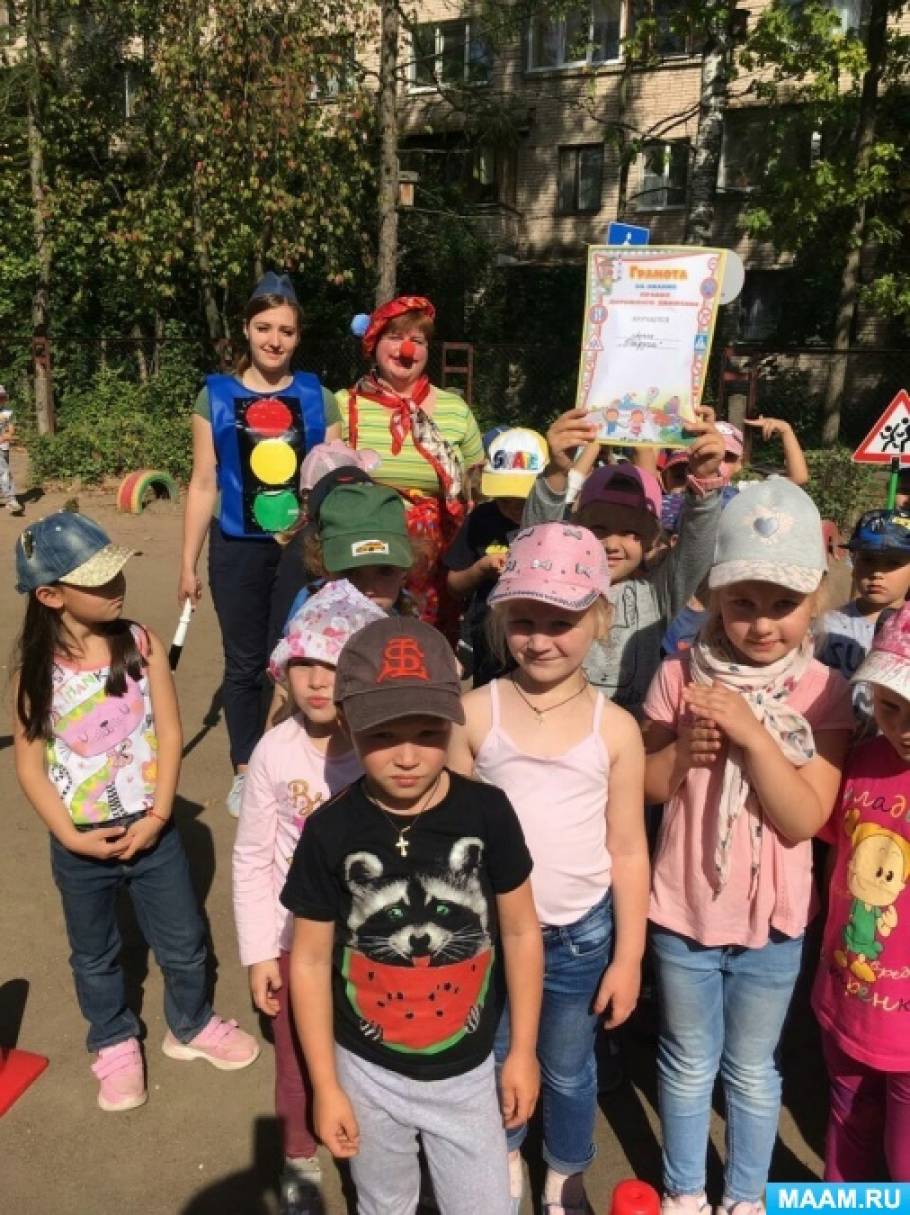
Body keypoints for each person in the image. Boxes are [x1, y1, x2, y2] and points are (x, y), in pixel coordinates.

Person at [641, 479, 854, 1215]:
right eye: (743, 602)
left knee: (753, 1069)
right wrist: (683, 755)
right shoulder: (679, 675)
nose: (761, 623)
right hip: (685, 909)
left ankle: (746, 1196)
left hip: (774, 923)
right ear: (714, 598)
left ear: (815, 600)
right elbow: (647, 785)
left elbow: (803, 817)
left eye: (782, 603)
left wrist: (752, 735)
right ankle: (685, 1191)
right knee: (686, 1061)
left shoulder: (825, 691)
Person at [281, 616, 543, 1215]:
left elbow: (522, 930)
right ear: (346, 722)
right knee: (385, 1204)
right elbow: (311, 960)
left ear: (454, 721)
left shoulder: (488, 813)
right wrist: (325, 1085)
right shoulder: (328, 831)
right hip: (365, 1071)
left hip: (467, 1074)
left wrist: (523, 1051)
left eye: (428, 732)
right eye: (382, 735)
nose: (406, 757)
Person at [12, 512, 259, 1113]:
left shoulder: (141, 643)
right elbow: (30, 766)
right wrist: (69, 836)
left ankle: (190, 1023)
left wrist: (158, 816)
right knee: (94, 952)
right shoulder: (35, 671)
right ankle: (113, 1039)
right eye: (97, 579)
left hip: (154, 830)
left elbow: (169, 733)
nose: (116, 585)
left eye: (115, 571)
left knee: (184, 941)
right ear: (51, 596)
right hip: (79, 842)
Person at [450, 523, 650, 1215]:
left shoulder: (615, 728)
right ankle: (505, 1153)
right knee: (495, 1054)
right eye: (524, 621)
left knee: (569, 1068)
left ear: (599, 621)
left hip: (578, 938)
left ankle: (564, 1173)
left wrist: (629, 957)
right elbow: (452, 842)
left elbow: (629, 849)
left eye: (560, 622)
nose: (540, 639)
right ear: (501, 620)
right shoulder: (473, 714)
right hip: (490, 935)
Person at [233, 581, 384, 1214]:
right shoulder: (274, 751)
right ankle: (298, 1155)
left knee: (372, 1056)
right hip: (296, 940)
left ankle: (379, 1155)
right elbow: (252, 857)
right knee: (296, 1060)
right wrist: (259, 953)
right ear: (284, 670)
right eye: (305, 665)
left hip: (375, 941)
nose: (319, 681)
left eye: (336, 665)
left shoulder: (385, 749)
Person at [178, 272, 341, 817]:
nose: (275, 340)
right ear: (246, 329)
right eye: (264, 327)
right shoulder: (214, 396)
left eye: (286, 331)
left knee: (294, 656)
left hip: (302, 549)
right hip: (236, 547)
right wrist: (187, 563)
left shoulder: (320, 398)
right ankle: (247, 768)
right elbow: (204, 481)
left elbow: (333, 481)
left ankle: (290, 760)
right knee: (245, 662)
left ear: (298, 336)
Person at [522, 407, 725, 715]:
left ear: (651, 540)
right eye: (599, 529)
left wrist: (705, 480)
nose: (612, 544)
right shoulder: (557, 582)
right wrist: (556, 471)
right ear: (576, 528)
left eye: (631, 533)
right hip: (555, 723)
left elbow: (696, 546)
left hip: (630, 732)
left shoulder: (657, 593)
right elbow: (538, 544)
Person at [812, 603, 910, 1181]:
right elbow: (835, 853)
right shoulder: (861, 761)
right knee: (847, 1127)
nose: (904, 727)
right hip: (848, 998)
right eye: (891, 706)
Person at [338, 295, 485, 639]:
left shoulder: (455, 409)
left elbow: (478, 483)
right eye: (394, 337)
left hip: (435, 560)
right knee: (366, 640)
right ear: (373, 344)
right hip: (366, 553)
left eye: (417, 341)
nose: (406, 349)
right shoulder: (344, 405)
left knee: (428, 646)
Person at [445, 426, 548, 687]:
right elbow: (454, 585)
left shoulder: (555, 521)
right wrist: (480, 569)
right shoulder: (482, 519)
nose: (513, 507)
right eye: (504, 499)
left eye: (523, 499)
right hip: (489, 640)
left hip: (541, 638)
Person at [818, 508, 910, 686]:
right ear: (853, 562)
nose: (877, 573)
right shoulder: (825, 627)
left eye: (893, 562)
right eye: (868, 559)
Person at [0, 384, 23, 514]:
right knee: (4, 471)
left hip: (4, 447)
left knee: (3, 471)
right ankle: (11, 499)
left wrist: (7, 435)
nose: (1, 400)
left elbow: (11, 429)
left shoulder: (8, 412)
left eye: (2, 397)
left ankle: (7, 497)